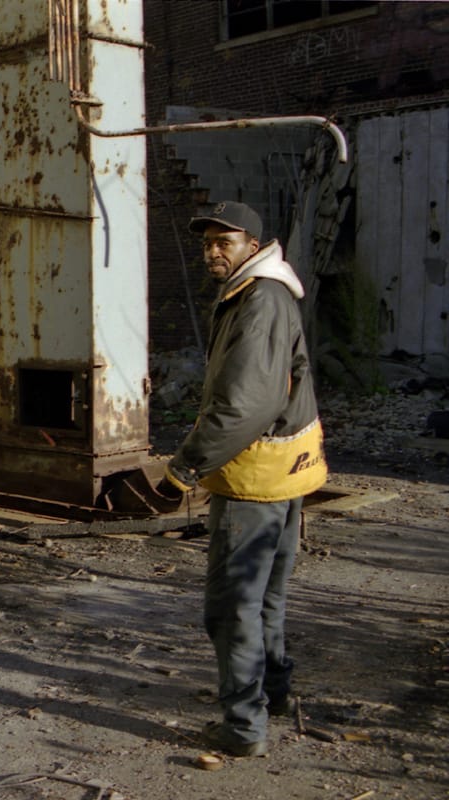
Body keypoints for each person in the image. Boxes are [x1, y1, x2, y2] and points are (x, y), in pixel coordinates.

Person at [159, 201, 327, 757]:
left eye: (223, 242)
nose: (212, 251)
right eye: (207, 241)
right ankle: (273, 695)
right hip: (287, 469)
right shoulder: (261, 292)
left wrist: (185, 466)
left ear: (253, 246)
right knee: (267, 598)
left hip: (255, 477)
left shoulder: (258, 300)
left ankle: (242, 726)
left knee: (232, 609)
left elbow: (245, 406)